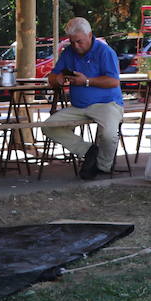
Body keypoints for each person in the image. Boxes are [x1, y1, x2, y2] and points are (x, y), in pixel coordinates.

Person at [43, 17, 123, 180]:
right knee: (48, 126)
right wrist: (56, 79)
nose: (76, 46)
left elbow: (114, 81)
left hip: (107, 104)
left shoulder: (105, 52)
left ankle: (102, 167)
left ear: (90, 35)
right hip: (79, 107)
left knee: (109, 134)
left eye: (79, 41)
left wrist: (86, 81)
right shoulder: (68, 52)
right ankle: (88, 151)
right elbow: (52, 76)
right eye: (72, 42)